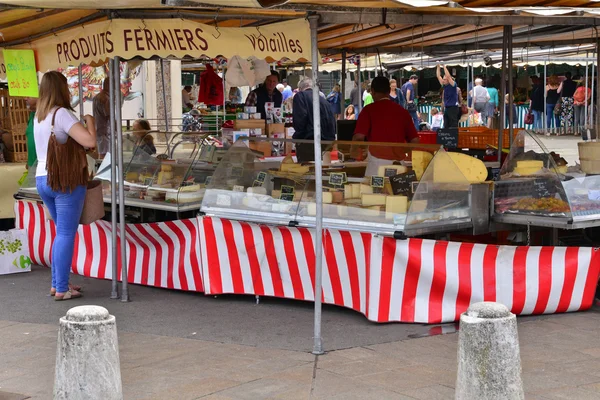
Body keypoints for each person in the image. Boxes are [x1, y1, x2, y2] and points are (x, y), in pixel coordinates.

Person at [34, 71, 97, 301]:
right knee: (65, 234)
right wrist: (90, 121)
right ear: (61, 89)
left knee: (60, 233)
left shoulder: (39, 116)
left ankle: (57, 283)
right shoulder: (62, 114)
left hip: (42, 179)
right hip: (65, 180)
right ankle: (62, 288)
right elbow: (89, 142)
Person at [353, 76, 419, 176]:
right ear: (389, 91)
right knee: (398, 192)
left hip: (377, 164)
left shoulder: (368, 110)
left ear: (373, 91)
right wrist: (401, 151)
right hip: (399, 164)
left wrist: (353, 151)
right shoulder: (403, 112)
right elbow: (415, 141)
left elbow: (359, 137)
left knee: (373, 191)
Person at [292, 78, 336, 162]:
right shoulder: (324, 101)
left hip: (308, 142)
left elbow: (300, 119)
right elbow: (332, 122)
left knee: (307, 169)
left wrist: (298, 137)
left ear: (300, 88)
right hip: (325, 143)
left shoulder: (300, 96)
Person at [436, 64, 460, 129]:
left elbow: (448, 76)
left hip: (453, 108)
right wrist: (438, 67)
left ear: (449, 81)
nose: (443, 80)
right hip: (447, 108)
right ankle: (446, 137)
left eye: (445, 79)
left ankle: (453, 137)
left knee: (453, 125)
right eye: (443, 79)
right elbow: (438, 76)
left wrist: (444, 67)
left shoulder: (453, 85)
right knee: (446, 124)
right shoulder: (444, 85)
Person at [92, 77, 110, 157]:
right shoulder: (105, 98)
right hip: (104, 132)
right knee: (105, 156)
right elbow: (109, 116)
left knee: (102, 154)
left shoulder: (97, 97)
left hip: (99, 130)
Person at [25, 97, 38, 168]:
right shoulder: (32, 115)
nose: (25, 99)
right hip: (32, 164)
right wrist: (29, 160)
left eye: (29, 96)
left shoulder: (50, 116)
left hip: (43, 166)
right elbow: (30, 137)